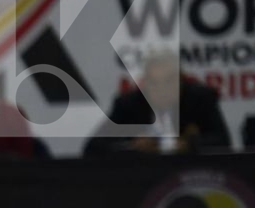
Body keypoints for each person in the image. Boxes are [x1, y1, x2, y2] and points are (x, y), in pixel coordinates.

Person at [86, 51, 232, 156]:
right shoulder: (128, 104)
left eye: (169, 81)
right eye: (154, 83)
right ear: (145, 84)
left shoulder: (201, 99)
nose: (161, 89)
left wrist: (190, 144)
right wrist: (132, 146)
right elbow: (93, 147)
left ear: (181, 81)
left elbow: (223, 141)